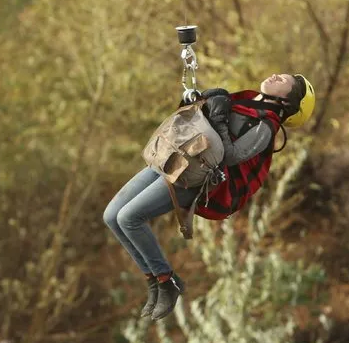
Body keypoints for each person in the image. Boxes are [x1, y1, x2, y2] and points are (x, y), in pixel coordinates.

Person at [102, 73, 316, 321]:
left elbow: (231, 155)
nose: (277, 75)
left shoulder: (265, 127)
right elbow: (204, 123)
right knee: (111, 216)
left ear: (289, 102)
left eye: (286, 80)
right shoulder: (244, 102)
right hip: (174, 155)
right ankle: (154, 283)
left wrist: (219, 118)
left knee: (129, 217)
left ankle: (166, 281)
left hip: (193, 177)